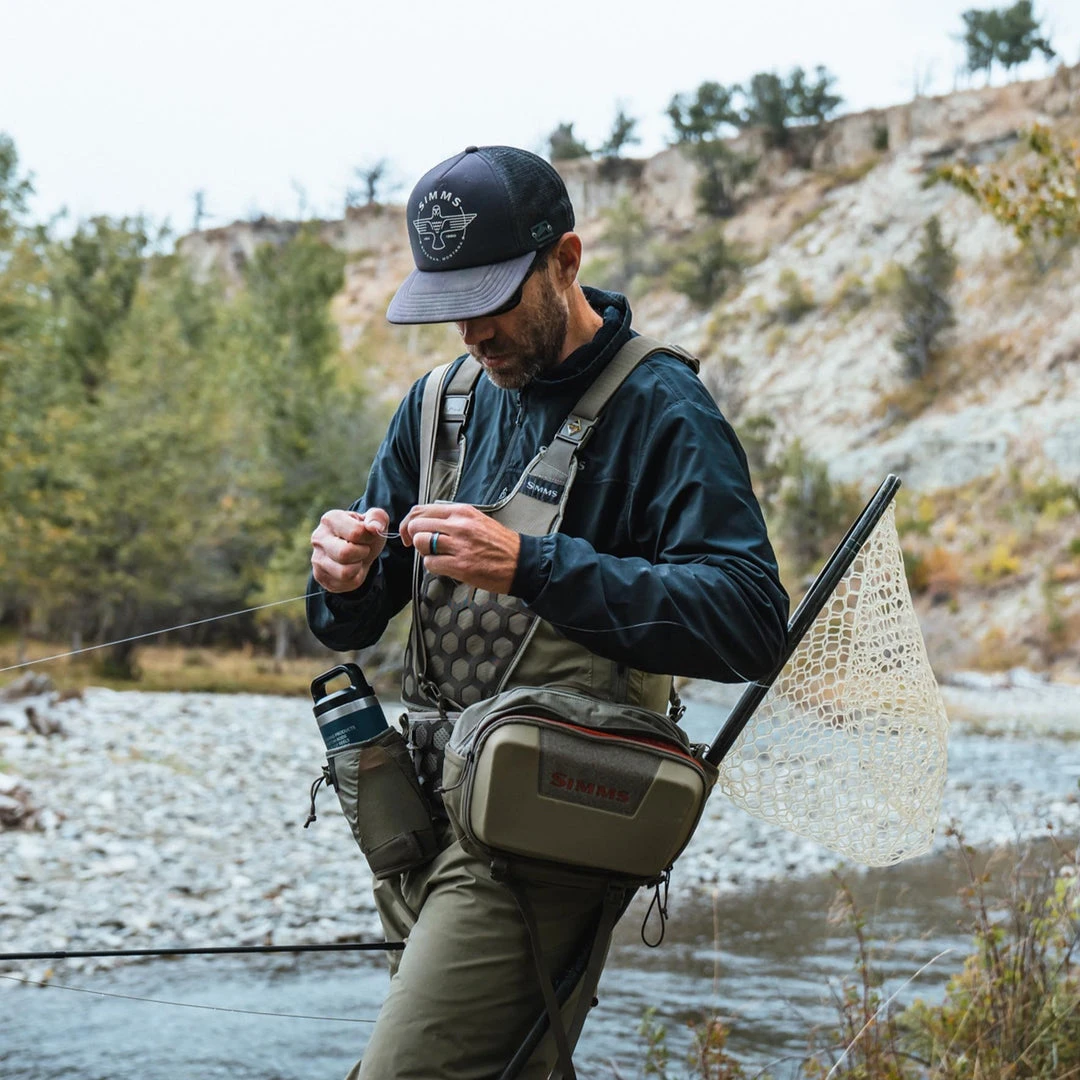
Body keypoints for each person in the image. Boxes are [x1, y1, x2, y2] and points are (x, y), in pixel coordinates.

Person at [307, 144, 789, 1080]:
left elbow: (749, 622)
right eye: (451, 307)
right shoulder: (435, 407)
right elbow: (354, 621)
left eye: (493, 299)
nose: (473, 332)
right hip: (417, 823)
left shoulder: (663, 408)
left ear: (565, 260)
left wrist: (531, 565)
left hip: (550, 830)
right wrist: (342, 577)